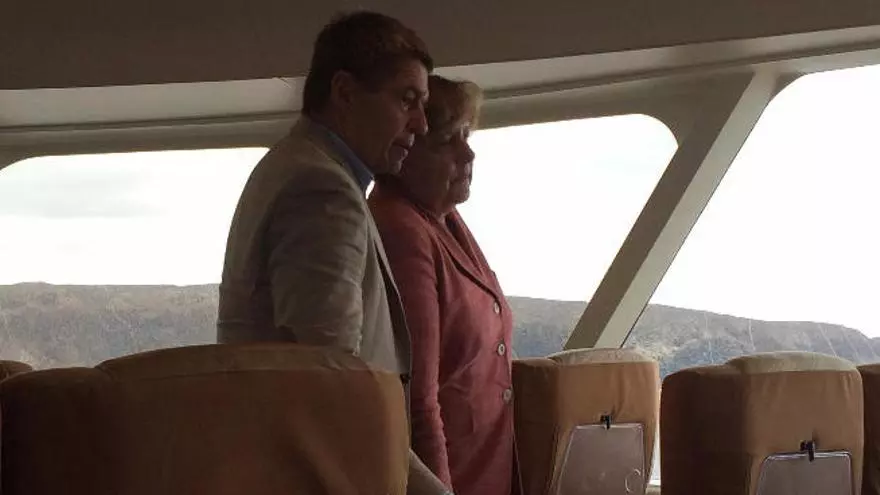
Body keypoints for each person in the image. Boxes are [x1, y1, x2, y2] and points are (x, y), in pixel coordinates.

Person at [217, 11, 451, 495]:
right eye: (407, 100)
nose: (421, 123)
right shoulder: (320, 188)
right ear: (344, 92)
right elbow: (338, 384)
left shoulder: (297, 168)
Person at [369, 76, 516, 495]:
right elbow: (417, 399)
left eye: (466, 136)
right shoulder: (401, 228)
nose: (467, 153)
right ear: (404, 151)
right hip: (453, 482)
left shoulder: (444, 218)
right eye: (446, 141)